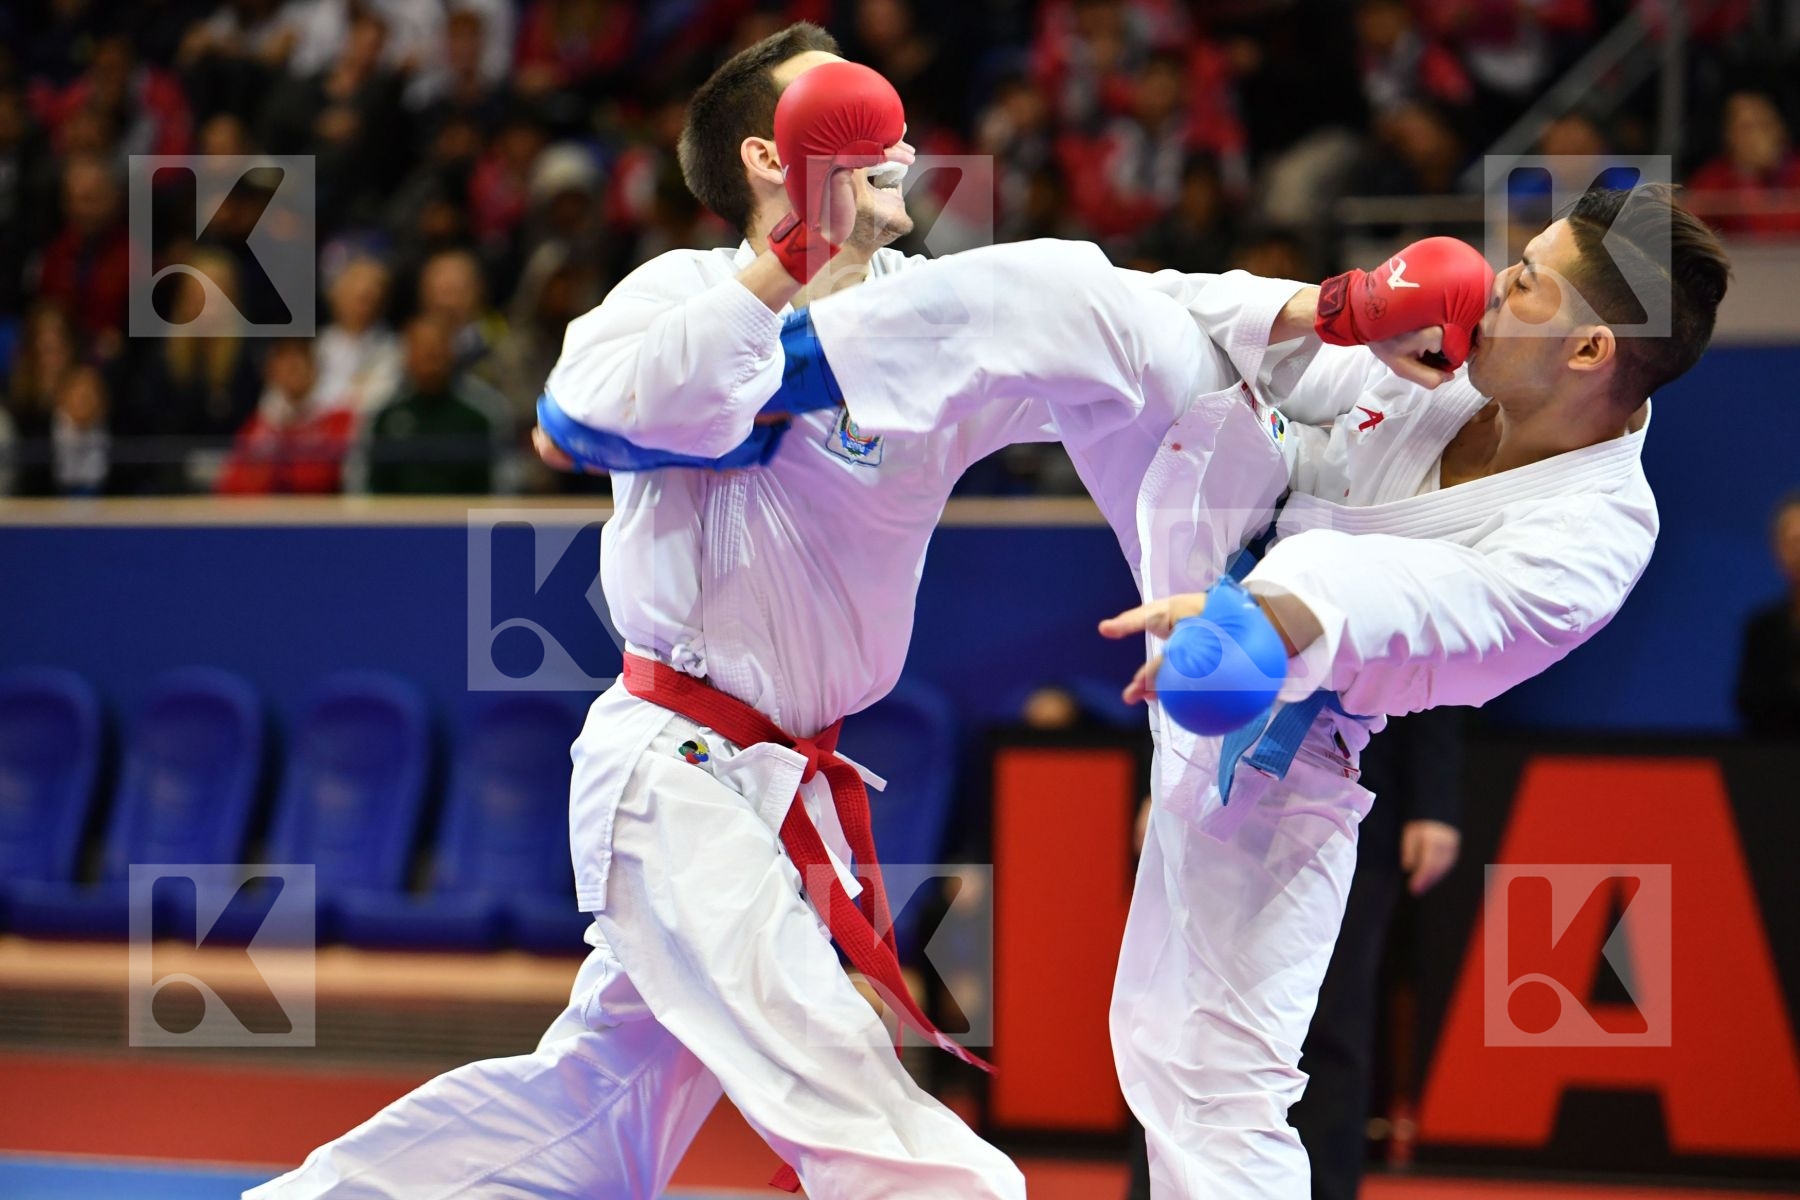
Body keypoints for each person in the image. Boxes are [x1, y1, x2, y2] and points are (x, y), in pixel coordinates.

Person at [740, 180, 1726, 1197]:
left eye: (1523, 282)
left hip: (1289, 737)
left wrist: (1259, 619)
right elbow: (1200, 318)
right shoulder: (1455, 351)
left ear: (1591, 349)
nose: (1494, 280)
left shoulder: (1596, 537)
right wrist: (1328, 309)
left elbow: (1414, 604)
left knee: (1205, 1084)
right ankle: (768, 377)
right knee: (1081, 292)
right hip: (1225, 500)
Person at [251, 26, 1037, 1200]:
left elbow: (1109, 330)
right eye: (838, 113)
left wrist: (1314, 338)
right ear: (779, 157)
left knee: (592, 1112)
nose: (886, 134)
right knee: (854, 1099)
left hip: (776, 784)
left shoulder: (929, 317)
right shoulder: (683, 295)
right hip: (676, 768)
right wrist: (780, 270)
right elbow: (572, 416)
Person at [362, 315, 499, 495]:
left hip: (463, 518)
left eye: (437, 347)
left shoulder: (481, 414)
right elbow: (367, 483)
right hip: (396, 519)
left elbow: (498, 482)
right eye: (422, 348)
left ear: (451, 353)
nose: (431, 355)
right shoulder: (383, 414)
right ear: (407, 356)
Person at [1734, 492, 1800, 737]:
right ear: (1777, 549)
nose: (1798, 550)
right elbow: (1749, 701)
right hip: (1774, 759)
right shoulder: (1762, 628)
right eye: (1791, 541)